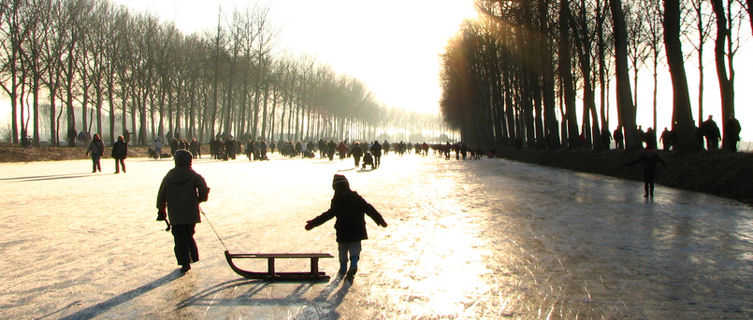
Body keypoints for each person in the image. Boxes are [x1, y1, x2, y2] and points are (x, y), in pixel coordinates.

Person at [305, 174, 387, 281]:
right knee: (355, 250)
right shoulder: (356, 197)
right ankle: (353, 264)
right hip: (357, 230)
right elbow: (369, 208)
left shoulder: (337, 200)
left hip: (343, 231)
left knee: (343, 251)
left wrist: (313, 223)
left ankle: (343, 267)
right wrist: (380, 220)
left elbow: (328, 215)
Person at [156, 150, 210, 273]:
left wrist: (161, 209)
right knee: (189, 234)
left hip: (175, 213)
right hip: (190, 212)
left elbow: (161, 194)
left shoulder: (169, 176)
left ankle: (184, 261)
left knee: (179, 237)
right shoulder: (193, 175)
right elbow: (203, 189)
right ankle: (191, 257)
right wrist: (200, 199)